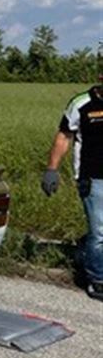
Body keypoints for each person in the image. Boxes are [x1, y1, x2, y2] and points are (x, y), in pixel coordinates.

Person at [43, 79, 103, 301]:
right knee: (100, 231)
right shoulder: (82, 103)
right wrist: (52, 169)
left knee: (98, 232)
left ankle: (84, 251)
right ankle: (97, 279)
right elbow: (64, 136)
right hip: (93, 177)